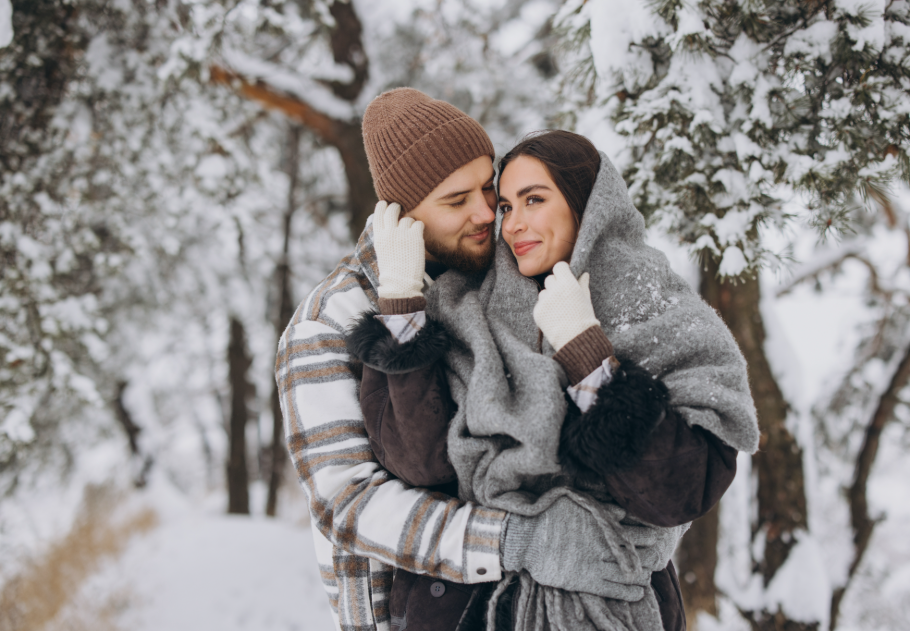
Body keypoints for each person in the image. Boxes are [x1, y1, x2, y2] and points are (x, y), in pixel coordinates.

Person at [346, 130, 760, 630]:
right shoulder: (463, 307)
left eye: (534, 200)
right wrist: (400, 299)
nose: (513, 224)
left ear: (589, 206)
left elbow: (682, 491)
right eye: (505, 206)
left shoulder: (660, 309)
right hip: (471, 606)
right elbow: (417, 461)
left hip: (615, 598)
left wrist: (590, 358)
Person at [274, 90, 646, 631]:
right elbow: (348, 503)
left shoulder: (509, 269)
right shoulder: (327, 321)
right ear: (401, 213)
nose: (483, 213)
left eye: (487, 187)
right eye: (455, 201)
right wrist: (518, 539)